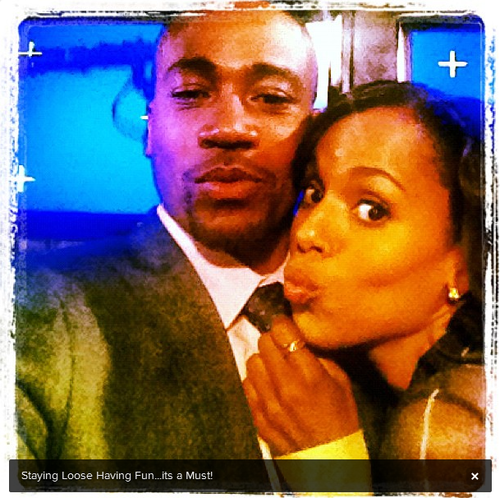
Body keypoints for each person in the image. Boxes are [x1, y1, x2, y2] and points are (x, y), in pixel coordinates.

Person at [14, 8, 319, 462]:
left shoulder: (367, 313)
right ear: (150, 128)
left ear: (314, 133)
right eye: (191, 93)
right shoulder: (36, 307)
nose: (229, 128)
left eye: (271, 97)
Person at [244, 81, 485, 471]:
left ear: (463, 264)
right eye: (314, 193)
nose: (308, 233)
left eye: (372, 210)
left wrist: (332, 471)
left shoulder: (446, 427)